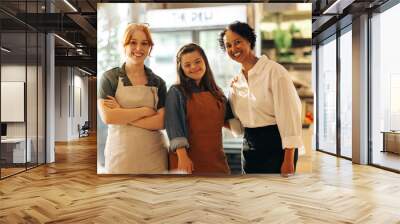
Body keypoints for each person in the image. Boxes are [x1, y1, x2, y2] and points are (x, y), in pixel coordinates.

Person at [218, 21, 303, 176]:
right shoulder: (235, 84)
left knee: (279, 197)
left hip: (277, 147)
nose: (233, 49)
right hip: (249, 150)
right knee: (253, 198)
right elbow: (238, 128)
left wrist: (288, 160)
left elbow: (290, 116)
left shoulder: (274, 72)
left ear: (249, 41)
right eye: (228, 45)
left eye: (238, 42)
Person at [98, 23, 168, 174]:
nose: (138, 48)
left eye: (144, 43)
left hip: (155, 157)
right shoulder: (109, 78)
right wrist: (144, 110)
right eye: (133, 42)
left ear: (150, 47)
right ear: (124, 45)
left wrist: (122, 113)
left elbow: (161, 122)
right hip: (120, 157)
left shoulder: (158, 83)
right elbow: (109, 117)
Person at [165, 43, 232, 174]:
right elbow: (174, 125)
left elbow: (230, 121)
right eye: (187, 65)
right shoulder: (176, 91)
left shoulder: (217, 92)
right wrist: (183, 157)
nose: (194, 67)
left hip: (216, 161)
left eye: (197, 62)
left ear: (205, 62)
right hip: (187, 161)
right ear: (181, 69)